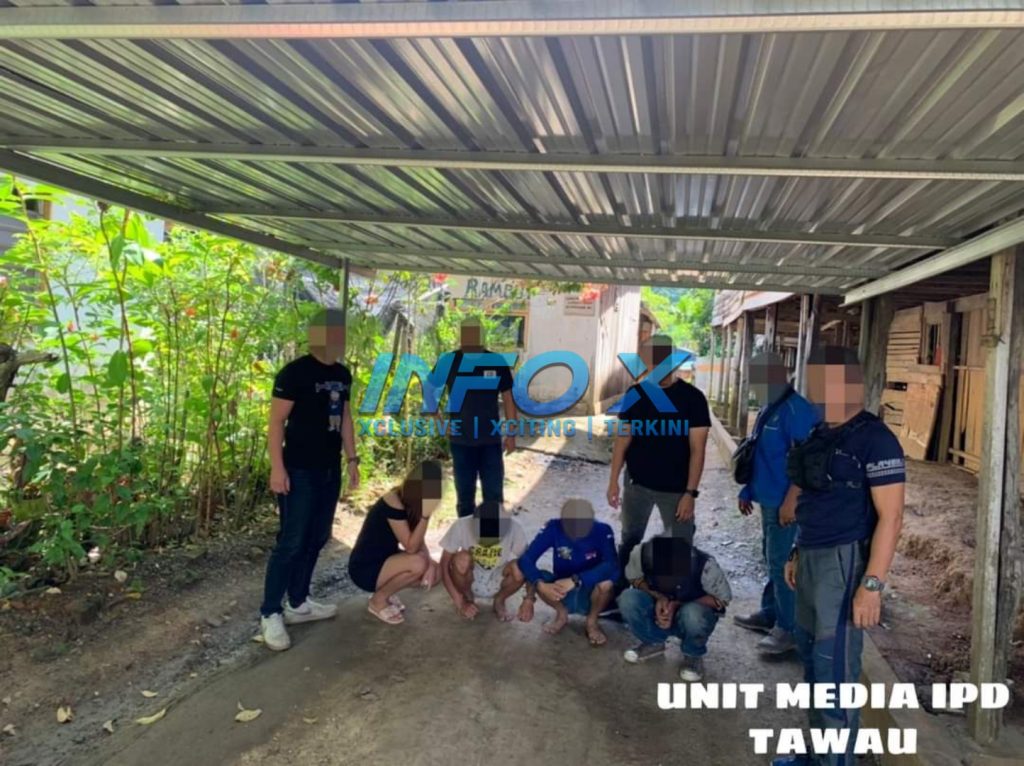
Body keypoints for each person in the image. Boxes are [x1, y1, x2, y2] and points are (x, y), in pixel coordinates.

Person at [773, 346, 905, 766]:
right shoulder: (822, 433)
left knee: (834, 673)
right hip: (811, 557)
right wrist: (796, 551)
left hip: (844, 564)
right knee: (813, 663)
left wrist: (872, 585)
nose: (817, 391)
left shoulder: (876, 440)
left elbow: (892, 517)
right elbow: (812, 500)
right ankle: (819, 756)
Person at [261, 308, 360, 652]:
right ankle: (270, 612)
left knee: (318, 537)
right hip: (298, 469)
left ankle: (298, 602)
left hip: (329, 469)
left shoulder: (343, 375)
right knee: (291, 541)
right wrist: (277, 468)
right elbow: (276, 423)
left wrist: (352, 460)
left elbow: (345, 417)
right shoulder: (294, 373)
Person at [734, 352, 821, 655]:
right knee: (771, 558)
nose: (754, 385)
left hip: (786, 504)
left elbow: (809, 460)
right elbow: (759, 453)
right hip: (768, 499)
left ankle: (789, 629)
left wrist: (792, 500)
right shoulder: (770, 407)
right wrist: (747, 490)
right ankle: (770, 613)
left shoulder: (797, 410)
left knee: (784, 563)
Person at [608, 334, 711, 573]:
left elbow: (698, 451)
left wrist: (690, 493)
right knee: (629, 541)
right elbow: (622, 441)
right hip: (637, 485)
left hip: (676, 491)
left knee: (680, 546)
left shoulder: (693, 399)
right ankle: (622, 589)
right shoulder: (635, 394)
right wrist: (613, 481)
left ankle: (679, 594)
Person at [433, 317, 517, 518]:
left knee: (494, 498)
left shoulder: (496, 362)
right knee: (465, 500)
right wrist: (440, 423)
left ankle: (492, 536)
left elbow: (508, 398)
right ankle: (467, 537)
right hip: (461, 442)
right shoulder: (449, 361)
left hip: (490, 442)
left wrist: (512, 434)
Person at [619, 533, 732, 682]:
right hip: (658, 605)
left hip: (691, 613)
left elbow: (722, 599)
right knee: (628, 598)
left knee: (693, 614)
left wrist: (678, 605)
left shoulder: (705, 565)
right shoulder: (640, 554)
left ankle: (693, 653)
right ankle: (653, 641)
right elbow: (635, 578)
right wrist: (658, 597)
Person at [348, 460, 443, 625]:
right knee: (418, 563)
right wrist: (426, 516)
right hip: (365, 567)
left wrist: (429, 563)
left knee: (435, 572)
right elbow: (411, 547)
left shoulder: (415, 504)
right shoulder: (393, 500)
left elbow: (419, 542)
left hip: (386, 561)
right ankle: (378, 600)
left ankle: (387, 591)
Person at [516, 498, 618, 646]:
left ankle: (591, 621)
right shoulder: (553, 527)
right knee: (536, 576)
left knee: (606, 583)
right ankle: (561, 614)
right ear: (562, 521)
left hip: (589, 592)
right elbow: (526, 559)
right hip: (561, 591)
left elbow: (612, 565)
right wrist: (536, 590)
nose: (576, 534)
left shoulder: (603, 530)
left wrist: (576, 580)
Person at [438, 500, 533, 622]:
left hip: (498, 577)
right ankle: (468, 599)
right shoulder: (461, 525)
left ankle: (499, 600)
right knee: (461, 559)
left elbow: (529, 564)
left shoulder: (514, 527)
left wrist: (529, 599)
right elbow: (444, 564)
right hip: (470, 577)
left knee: (520, 567)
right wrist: (459, 601)